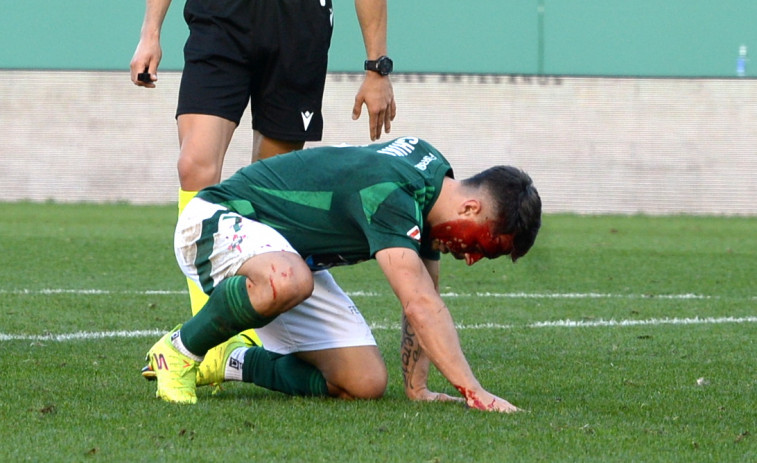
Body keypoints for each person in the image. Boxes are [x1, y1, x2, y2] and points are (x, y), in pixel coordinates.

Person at [146, 136, 542, 412]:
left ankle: (231, 360)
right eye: (483, 246)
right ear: (471, 208)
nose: (472, 259)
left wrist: (417, 388)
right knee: (288, 280)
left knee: (363, 383)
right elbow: (420, 304)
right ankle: (179, 352)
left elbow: (426, 294)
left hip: (284, 255)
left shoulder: (432, 180)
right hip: (216, 221)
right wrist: (476, 393)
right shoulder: (393, 193)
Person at [130, 0, 396, 351]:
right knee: (194, 165)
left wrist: (377, 69)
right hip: (220, 16)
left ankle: (250, 329)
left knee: (269, 188)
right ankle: (209, 341)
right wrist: (150, 32)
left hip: (299, 25)